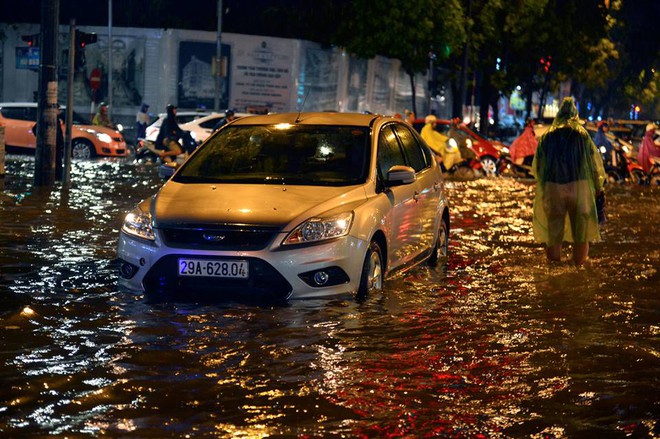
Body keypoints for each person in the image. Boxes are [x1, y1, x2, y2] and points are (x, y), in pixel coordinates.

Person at [531, 97, 606, 266]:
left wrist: (543, 188)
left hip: (553, 187)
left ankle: (554, 266)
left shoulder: (547, 137)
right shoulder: (582, 136)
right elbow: (593, 165)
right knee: (581, 231)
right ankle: (578, 266)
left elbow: (539, 167)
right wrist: (598, 187)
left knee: (554, 231)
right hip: (579, 187)